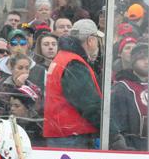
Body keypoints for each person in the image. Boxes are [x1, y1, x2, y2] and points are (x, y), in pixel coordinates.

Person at [43, 19, 108, 149]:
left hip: (63, 133)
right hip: (73, 136)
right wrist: (111, 132)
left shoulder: (64, 57)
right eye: (97, 40)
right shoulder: (74, 64)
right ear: (91, 40)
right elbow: (89, 104)